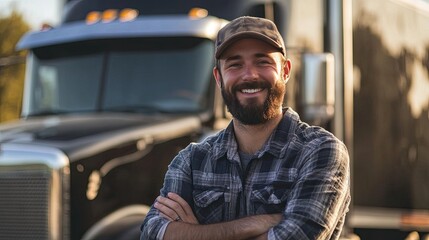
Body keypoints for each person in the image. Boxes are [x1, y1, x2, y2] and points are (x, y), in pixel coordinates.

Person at [141, 16, 350, 240]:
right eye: (235, 64)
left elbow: (298, 237)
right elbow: (154, 233)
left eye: (263, 62)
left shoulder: (320, 151)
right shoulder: (192, 161)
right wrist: (256, 224)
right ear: (218, 78)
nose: (249, 75)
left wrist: (195, 233)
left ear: (286, 71)